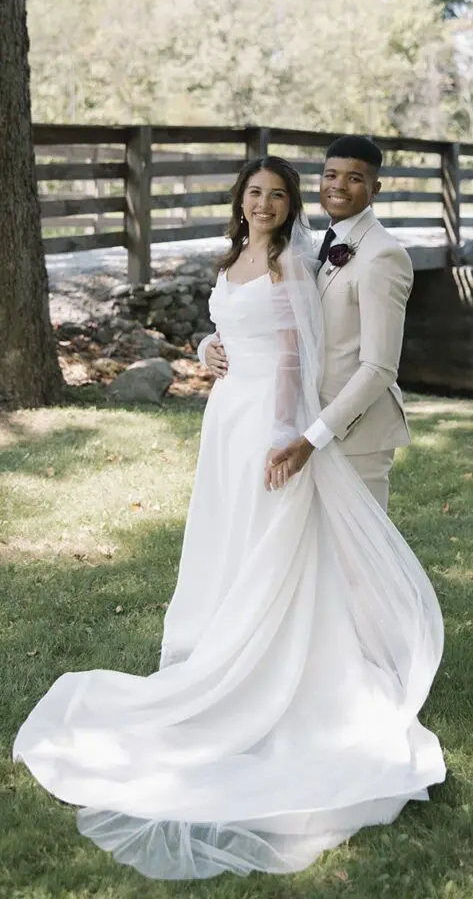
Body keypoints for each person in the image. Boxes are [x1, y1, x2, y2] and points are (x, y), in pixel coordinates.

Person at [13, 156, 445, 883]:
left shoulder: (301, 262)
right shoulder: (236, 257)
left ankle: (292, 667)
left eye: (277, 194)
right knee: (227, 539)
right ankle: (221, 640)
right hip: (228, 415)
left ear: (293, 203)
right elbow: (238, 328)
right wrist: (208, 347)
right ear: (239, 200)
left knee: (276, 543)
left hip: (273, 422)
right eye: (254, 192)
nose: (265, 203)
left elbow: (298, 356)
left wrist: (289, 435)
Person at [199, 136, 412, 511]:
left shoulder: (383, 255)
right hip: (303, 417)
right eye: (331, 175)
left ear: (375, 188)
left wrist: (312, 437)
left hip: (352, 430)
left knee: (359, 544)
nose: (339, 186)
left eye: (354, 178)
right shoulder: (311, 245)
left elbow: (379, 368)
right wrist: (209, 346)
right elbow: (268, 316)